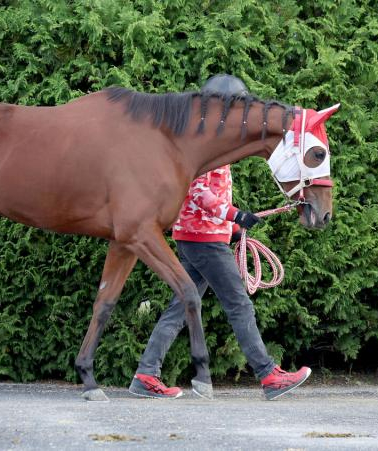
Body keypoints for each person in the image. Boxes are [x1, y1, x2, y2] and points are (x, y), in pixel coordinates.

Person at [128, 75, 311, 401]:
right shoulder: (203, 141)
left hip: (200, 235)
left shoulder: (208, 138)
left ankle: (145, 374)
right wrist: (235, 216)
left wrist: (233, 227)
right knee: (238, 304)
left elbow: (210, 194)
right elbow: (198, 193)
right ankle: (268, 375)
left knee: (182, 307)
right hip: (203, 240)